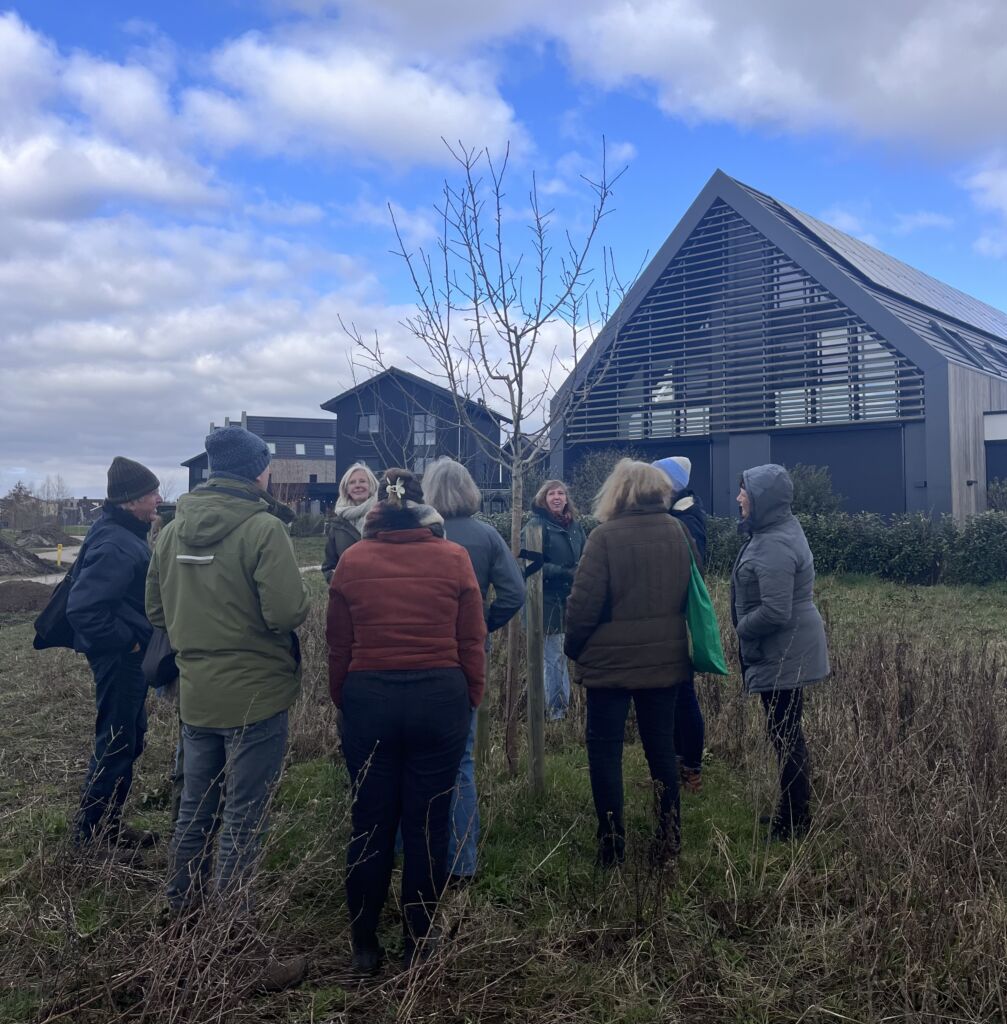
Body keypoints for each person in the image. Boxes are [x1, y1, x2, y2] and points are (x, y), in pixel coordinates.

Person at [146, 425, 310, 991]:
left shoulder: (170, 530)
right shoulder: (263, 528)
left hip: (196, 692)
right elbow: (288, 611)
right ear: (255, 471)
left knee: (195, 807)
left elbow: (155, 609)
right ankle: (233, 943)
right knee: (244, 816)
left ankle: (181, 915)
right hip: (256, 693)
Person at [327, 468, 485, 973]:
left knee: (370, 823)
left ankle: (364, 945)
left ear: (375, 514)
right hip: (439, 698)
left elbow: (339, 646)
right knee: (428, 824)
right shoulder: (455, 558)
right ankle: (419, 940)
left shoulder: (352, 560)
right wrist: (469, 698)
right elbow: (471, 642)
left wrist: (346, 700)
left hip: (369, 696)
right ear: (426, 511)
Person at [565, 460, 694, 867]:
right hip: (664, 659)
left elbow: (583, 606)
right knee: (661, 750)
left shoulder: (604, 537)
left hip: (610, 664)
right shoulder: (679, 531)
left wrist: (573, 647)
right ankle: (669, 840)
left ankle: (612, 847)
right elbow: (691, 590)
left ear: (617, 492)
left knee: (605, 754)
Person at [421, 457, 525, 885]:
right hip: (466, 654)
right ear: (468, 490)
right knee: (460, 758)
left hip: (417, 652)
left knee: (411, 756)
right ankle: (462, 863)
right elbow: (515, 593)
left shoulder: (418, 534)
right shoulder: (485, 534)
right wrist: (483, 624)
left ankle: (409, 850)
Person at [67, 456, 161, 853]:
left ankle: (108, 824)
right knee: (117, 741)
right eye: (152, 493)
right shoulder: (116, 543)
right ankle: (90, 839)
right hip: (120, 659)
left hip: (125, 658)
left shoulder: (122, 532)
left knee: (130, 737)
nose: (158, 498)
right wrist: (130, 642)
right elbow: (83, 608)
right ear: (131, 500)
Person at [732, 464, 829, 841]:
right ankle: (793, 812)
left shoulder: (773, 542)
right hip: (783, 650)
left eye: (745, 492)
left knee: (786, 736)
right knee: (786, 733)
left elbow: (775, 610)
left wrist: (741, 629)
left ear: (762, 501)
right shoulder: (776, 529)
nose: (739, 498)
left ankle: (793, 822)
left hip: (783, 651)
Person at [653, 456, 707, 793]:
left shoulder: (686, 516)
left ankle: (691, 769)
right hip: (668, 614)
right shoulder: (675, 512)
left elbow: (693, 566)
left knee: (684, 695)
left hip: (679, 616)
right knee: (672, 694)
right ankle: (674, 764)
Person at [524, 480, 585, 720]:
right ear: (543, 498)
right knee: (553, 656)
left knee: (560, 654)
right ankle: (557, 712)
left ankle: (562, 707)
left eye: (561, 493)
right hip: (546, 600)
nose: (557, 497)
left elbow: (587, 552)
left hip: (571, 598)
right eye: (552, 493)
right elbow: (529, 564)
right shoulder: (535, 525)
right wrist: (564, 571)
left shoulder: (575, 527)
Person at [322, 463, 380, 583]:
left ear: (372, 485)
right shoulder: (337, 524)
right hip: (350, 596)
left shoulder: (385, 516)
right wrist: (338, 582)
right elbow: (328, 567)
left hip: (382, 591)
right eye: (352, 482)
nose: (357, 485)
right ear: (346, 489)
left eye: (362, 481)